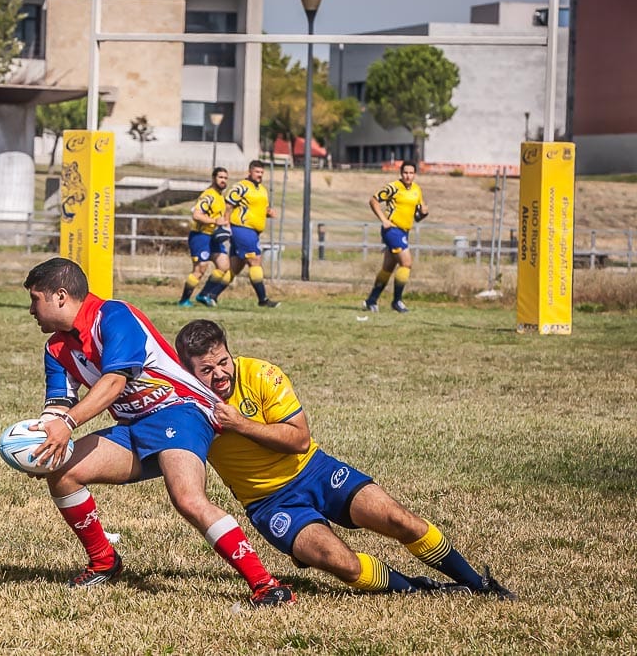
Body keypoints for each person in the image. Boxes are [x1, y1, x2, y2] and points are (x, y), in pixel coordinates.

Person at [174, 318, 517, 600]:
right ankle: (419, 590)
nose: (220, 374)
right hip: (269, 504)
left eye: (223, 361)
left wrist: (240, 424)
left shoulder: (262, 375)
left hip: (315, 470)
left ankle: (478, 585)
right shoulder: (186, 409)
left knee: (400, 520)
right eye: (206, 370)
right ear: (190, 373)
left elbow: (298, 439)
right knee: (343, 564)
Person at [22, 257, 295, 607]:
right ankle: (104, 561)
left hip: (181, 412)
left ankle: (267, 586)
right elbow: (58, 404)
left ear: (60, 296)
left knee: (187, 498)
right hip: (135, 427)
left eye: (35, 298)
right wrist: (42, 444)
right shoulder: (55, 349)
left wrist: (68, 425)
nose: (32, 309)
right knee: (63, 471)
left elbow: (114, 381)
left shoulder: (114, 316)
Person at [199, 160, 279, 308]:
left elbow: (259, 208)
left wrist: (268, 212)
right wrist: (227, 224)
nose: (260, 175)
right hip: (242, 228)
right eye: (257, 172)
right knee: (255, 260)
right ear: (250, 172)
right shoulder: (241, 186)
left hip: (253, 231)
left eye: (262, 173)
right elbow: (229, 204)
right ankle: (263, 299)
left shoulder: (262, 189)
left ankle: (211, 295)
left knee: (235, 266)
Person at [363, 160, 428, 313]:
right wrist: (384, 220)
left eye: (411, 173)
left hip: (404, 231)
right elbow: (373, 201)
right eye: (405, 172)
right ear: (401, 173)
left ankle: (371, 300)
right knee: (406, 263)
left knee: (388, 268)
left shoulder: (417, 190)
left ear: (415, 174)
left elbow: (417, 217)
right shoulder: (393, 187)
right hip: (392, 230)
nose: (408, 176)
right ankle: (397, 301)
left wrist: (423, 214)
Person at [178, 167, 232, 308]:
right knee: (200, 269)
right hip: (200, 236)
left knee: (224, 265)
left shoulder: (220, 197)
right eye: (220, 177)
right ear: (214, 178)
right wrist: (215, 221)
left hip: (213, 237)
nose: (223, 180)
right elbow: (197, 215)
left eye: (225, 178)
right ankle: (184, 300)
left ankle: (204, 294)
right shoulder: (208, 195)